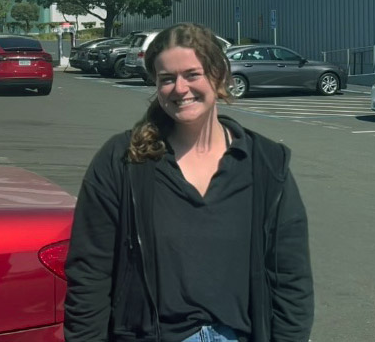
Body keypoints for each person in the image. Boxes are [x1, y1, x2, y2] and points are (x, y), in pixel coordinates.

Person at [64, 23, 313, 342]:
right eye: (167, 79)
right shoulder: (124, 161)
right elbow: (89, 274)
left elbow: (291, 279)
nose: (179, 88)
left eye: (192, 75)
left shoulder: (266, 164)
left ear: (219, 76)